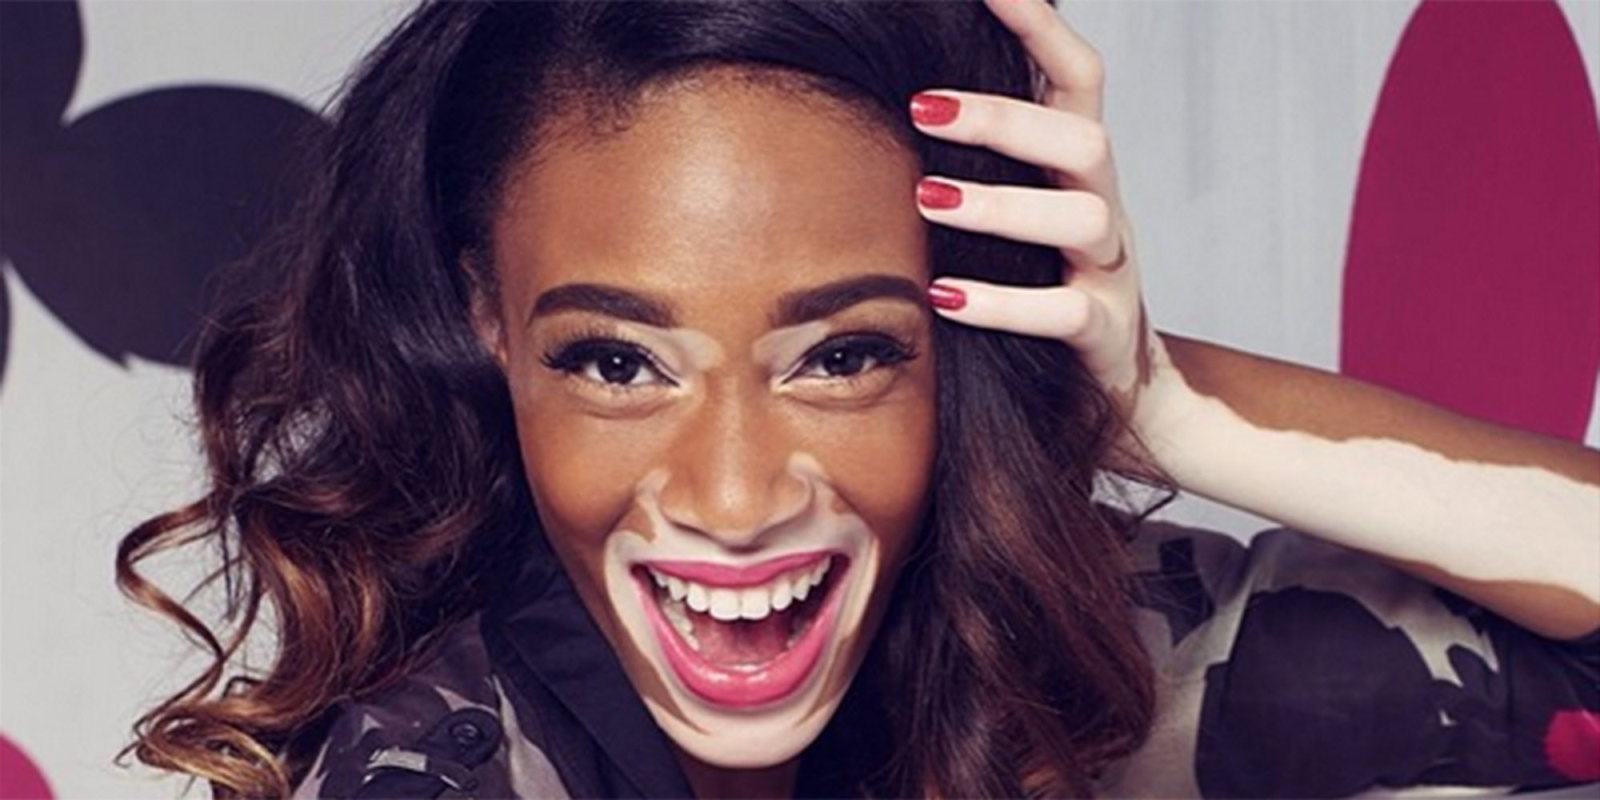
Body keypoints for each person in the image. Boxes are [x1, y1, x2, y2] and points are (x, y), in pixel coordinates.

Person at [115, 1, 1600, 797]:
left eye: (841, 355)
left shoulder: (1082, 648)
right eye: (618, 363)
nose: (737, 496)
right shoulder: (425, 774)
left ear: (953, 338)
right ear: (488, 326)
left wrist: (1160, 401)